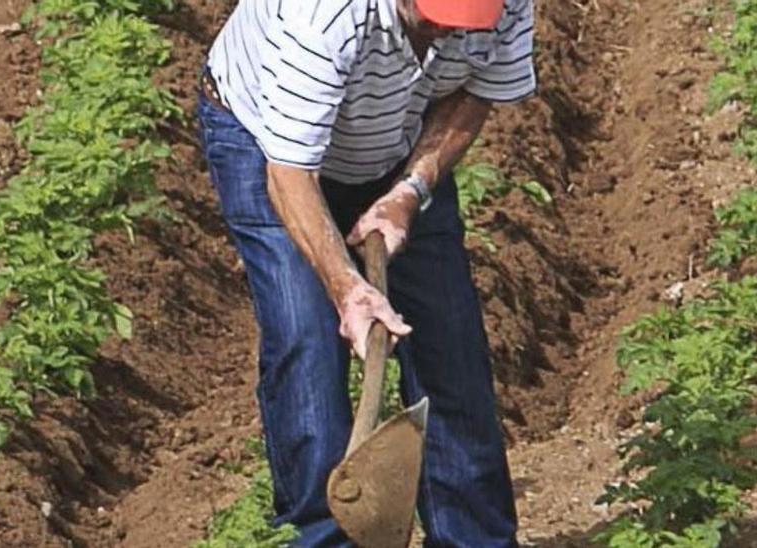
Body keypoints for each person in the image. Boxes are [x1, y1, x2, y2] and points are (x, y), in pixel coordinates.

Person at [198, 0, 534, 545]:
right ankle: (323, 536)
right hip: (269, 143)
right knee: (305, 341)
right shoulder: (326, 14)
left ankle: (474, 537)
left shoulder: (507, 4)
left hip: (399, 132)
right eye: (437, 18)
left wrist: (410, 192)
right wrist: (347, 289)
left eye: (464, 24)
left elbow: (476, 89)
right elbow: (290, 171)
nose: (448, 33)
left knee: (451, 345)